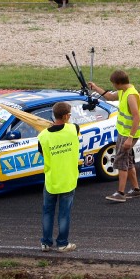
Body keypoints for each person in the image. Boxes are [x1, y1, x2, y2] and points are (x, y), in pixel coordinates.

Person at [88, 71, 140, 203]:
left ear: (118, 83)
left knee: (121, 161)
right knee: (128, 161)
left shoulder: (130, 95)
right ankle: (136, 190)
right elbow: (110, 97)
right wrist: (95, 88)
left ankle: (120, 193)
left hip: (128, 134)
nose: (113, 86)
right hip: (124, 132)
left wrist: (130, 138)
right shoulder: (124, 91)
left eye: (113, 84)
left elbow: (136, 116)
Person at [38, 101, 80, 253]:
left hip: (52, 179)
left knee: (48, 212)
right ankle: (62, 243)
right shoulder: (73, 129)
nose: (70, 116)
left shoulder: (43, 136)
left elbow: (42, 152)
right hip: (68, 178)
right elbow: (71, 127)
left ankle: (46, 243)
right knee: (64, 214)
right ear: (65, 116)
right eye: (69, 114)